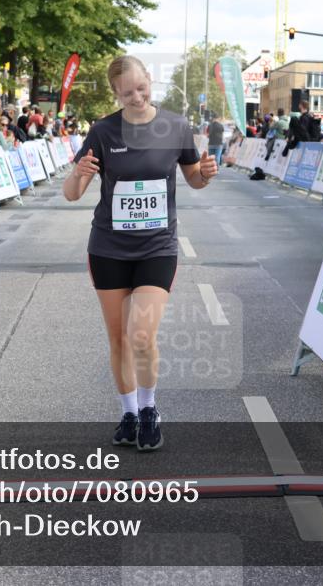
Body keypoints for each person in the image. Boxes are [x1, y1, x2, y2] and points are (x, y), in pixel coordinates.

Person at [62, 55, 218, 452]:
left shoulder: (175, 126)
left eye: (142, 88)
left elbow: (194, 181)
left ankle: (149, 409)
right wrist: (80, 173)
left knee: (142, 335)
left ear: (151, 81)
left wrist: (205, 172)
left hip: (157, 247)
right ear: (115, 93)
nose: (136, 96)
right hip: (109, 248)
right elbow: (72, 193)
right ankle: (128, 413)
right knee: (117, 338)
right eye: (127, 91)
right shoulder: (102, 131)